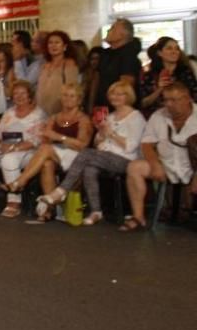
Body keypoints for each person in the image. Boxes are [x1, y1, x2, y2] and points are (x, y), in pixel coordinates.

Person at [36, 81, 145, 226]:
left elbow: (131, 146)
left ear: (128, 96)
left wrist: (110, 133)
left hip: (125, 160)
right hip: (104, 156)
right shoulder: (110, 117)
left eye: (120, 94)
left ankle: (61, 191)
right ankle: (96, 211)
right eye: (113, 93)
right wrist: (100, 132)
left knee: (86, 153)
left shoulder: (136, 117)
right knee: (89, 169)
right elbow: (98, 143)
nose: (115, 97)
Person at [3, 82, 93, 220]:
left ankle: (19, 182)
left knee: (46, 150)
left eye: (72, 96)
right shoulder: (54, 117)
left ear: (79, 99)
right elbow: (45, 139)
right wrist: (52, 141)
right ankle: (50, 209)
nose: (67, 99)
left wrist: (59, 137)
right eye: (65, 95)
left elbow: (82, 145)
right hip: (55, 154)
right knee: (46, 163)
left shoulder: (83, 119)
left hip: (76, 157)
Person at [120, 82, 197, 232]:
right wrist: (154, 164)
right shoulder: (158, 115)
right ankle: (138, 217)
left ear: (187, 98)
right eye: (166, 100)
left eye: (173, 100)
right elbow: (147, 143)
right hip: (166, 164)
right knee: (134, 168)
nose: (168, 104)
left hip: (192, 166)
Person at [0, 80, 47, 218]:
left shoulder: (39, 114)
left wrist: (13, 147)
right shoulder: (9, 112)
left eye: (23, 93)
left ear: (29, 95)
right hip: (6, 148)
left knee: (9, 160)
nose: (19, 96)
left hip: (28, 152)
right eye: (15, 93)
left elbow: (37, 140)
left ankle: (14, 202)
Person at [138, 36, 197, 117]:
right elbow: (143, 103)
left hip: (185, 115)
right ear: (160, 53)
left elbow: (194, 96)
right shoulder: (150, 74)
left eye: (176, 49)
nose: (174, 51)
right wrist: (160, 89)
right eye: (169, 48)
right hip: (158, 117)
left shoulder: (186, 71)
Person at [94, 18, 141, 111]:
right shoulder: (106, 54)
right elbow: (97, 80)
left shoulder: (129, 55)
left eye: (113, 28)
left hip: (118, 109)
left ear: (123, 34)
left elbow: (126, 86)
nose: (108, 30)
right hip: (102, 106)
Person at [34, 30, 80, 115]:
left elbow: (72, 89)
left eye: (57, 42)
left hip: (60, 111)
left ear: (65, 46)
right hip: (41, 111)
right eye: (50, 43)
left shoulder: (69, 63)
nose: (53, 46)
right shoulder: (44, 65)